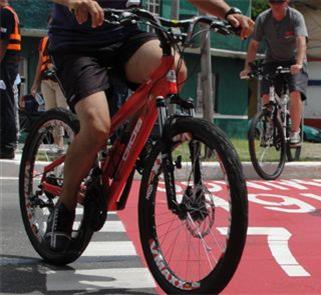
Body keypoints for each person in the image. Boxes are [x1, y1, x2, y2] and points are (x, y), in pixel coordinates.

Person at [45, 0, 253, 253]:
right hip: (76, 44)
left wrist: (228, 12)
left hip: (125, 37)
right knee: (97, 129)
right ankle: (64, 207)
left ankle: (135, 138)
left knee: (173, 69)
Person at [240, 0, 308, 147]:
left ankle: (295, 132)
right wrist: (248, 67)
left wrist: (299, 63)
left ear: (286, 2)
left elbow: (301, 41)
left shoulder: (295, 17)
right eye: (272, 1)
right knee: (266, 95)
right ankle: (272, 125)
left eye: (280, 1)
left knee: (295, 92)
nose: (276, 5)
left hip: (295, 59)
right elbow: (254, 44)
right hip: (272, 60)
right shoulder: (263, 18)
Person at [31, 24, 69, 153]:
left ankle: (70, 143)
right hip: (46, 81)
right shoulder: (44, 41)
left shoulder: (66, 39)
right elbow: (39, 63)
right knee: (50, 112)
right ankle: (58, 145)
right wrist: (35, 84)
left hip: (60, 82)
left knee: (63, 112)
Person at [0, 0, 20, 159]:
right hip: (7, 63)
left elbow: (3, 40)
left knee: (6, 102)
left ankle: (8, 145)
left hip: (6, 63)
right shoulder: (8, 12)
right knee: (3, 102)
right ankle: (5, 143)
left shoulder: (5, 12)